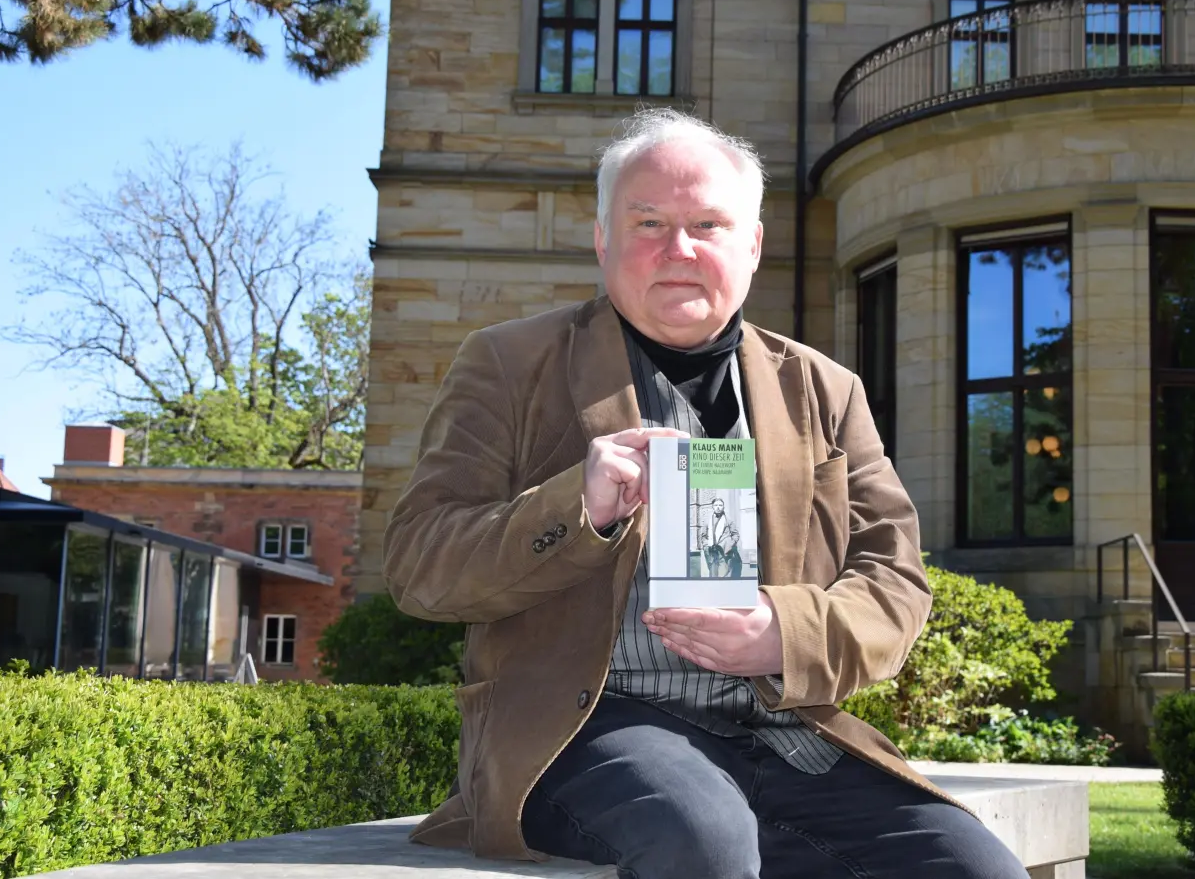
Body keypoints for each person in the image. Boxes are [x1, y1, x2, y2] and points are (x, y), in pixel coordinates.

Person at [383, 107, 1025, 878]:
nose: (678, 249)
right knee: (703, 842)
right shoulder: (508, 364)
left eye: (708, 225)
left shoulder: (826, 390)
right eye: (648, 221)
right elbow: (418, 564)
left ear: (751, 245)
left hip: (782, 733)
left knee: (973, 868)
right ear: (602, 239)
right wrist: (575, 509)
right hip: (584, 733)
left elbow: (896, 583)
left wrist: (785, 632)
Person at [701, 495, 741, 577]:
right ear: (712, 507)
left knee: (723, 575)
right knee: (713, 575)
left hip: (724, 552)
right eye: (716, 505)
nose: (718, 507)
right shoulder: (707, 521)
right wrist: (705, 545)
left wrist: (730, 544)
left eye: (720, 505)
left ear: (723, 507)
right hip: (711, 552)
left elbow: (735, 535)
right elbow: (703, 536)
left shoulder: (728, 520)